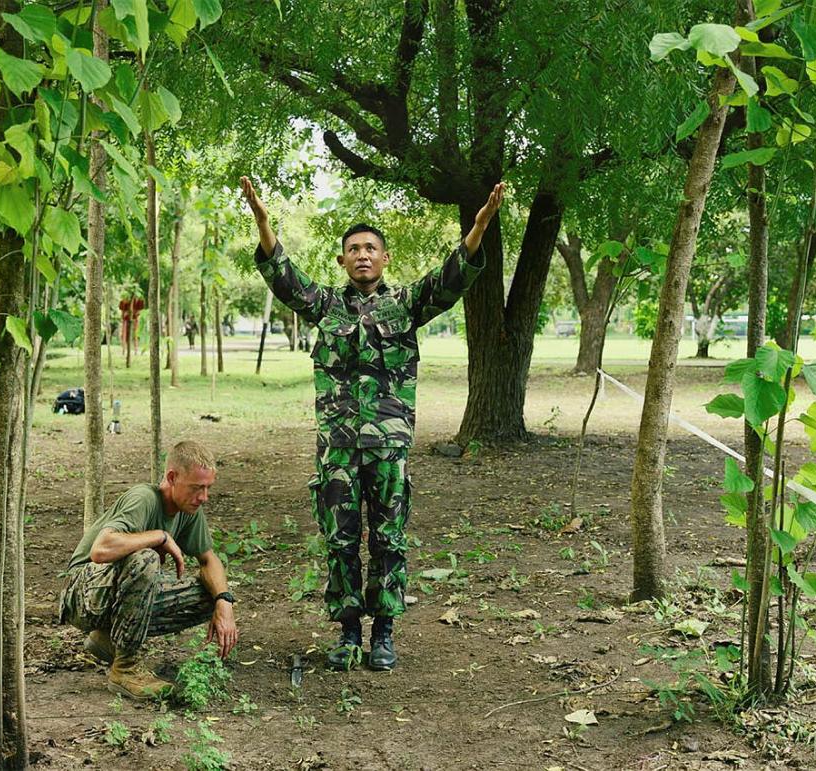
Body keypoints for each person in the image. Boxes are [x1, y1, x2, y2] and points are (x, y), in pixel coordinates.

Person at [240, 176, 505, 671]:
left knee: (389, 541)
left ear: (384, 259)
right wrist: (262, 221)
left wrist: (481, 224)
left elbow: (451, 278)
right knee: (339, 541)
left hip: (389, 450)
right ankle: (346, 632)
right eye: (354, 249)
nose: (362, 255)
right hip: (337, 448)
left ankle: (382, 632)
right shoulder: (326, 307)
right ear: (342, 261)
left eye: (371, 248)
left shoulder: (405, 305)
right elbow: (284, 278)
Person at [58, 440, 239, 700]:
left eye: (208, 488)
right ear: (172, 477)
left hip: (112, 593)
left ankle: (109, 640)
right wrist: (160, 537)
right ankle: (125, 669)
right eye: (197, 488)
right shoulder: (143, 498)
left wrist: (224, 601)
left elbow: (209, 560)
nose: (204, 497)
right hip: (81, 594)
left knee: (210, 593)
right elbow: (101, 549)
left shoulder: (189, 510)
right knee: (145, 559)